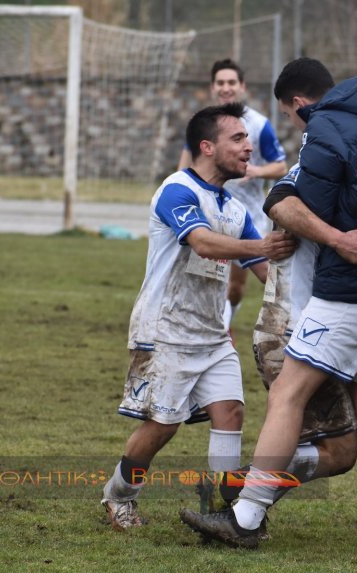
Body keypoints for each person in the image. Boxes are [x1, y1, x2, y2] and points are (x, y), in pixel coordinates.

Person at [180, 58, 357, 551]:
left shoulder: (327, 129)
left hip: (349, 292)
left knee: (288, 396)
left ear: (299, 105)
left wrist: (324, 229)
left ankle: (245, 517)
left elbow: (291, 206)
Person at [101, 102, 296, 531]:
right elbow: (203, 243)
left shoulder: (234, 208)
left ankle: (218, 508)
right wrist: (263, 247)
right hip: (165, 331)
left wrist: (305, 289)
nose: (249, 148)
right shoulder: (177, 190)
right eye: (238, 139)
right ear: (207, 147)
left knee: (231, 412)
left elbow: (266, 274)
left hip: (211, 334)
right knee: (162, 427)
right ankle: (118, 496)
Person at [178, 59, 288, 332]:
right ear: (212, 87)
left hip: (245, 216)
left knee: (236, 286)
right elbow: (185, 162)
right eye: (220, 83)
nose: (225, 88)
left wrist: (256, 170)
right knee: (204, 275)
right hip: (205, 213)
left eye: (231, 82)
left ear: (242, 87)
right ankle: (215, 330)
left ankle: (222, 324)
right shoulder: (205, 123)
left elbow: (281, 166)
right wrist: (179, 187)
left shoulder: (259, 124)